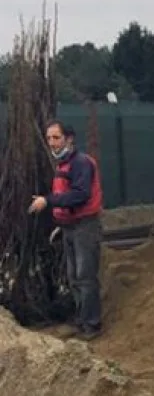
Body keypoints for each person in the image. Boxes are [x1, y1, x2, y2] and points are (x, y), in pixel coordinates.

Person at [27, 121, 104, 340]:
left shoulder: (80, 163)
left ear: (69, 139)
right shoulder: (63, 165)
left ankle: (92, 325)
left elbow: (81, 195)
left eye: (56, 137)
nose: (52, 142)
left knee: (85, 276)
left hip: (85, 227)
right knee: (73, 276)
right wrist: (61, 225)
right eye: (49, 138)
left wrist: (48, 201)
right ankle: (81, 320)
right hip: (70, 227)